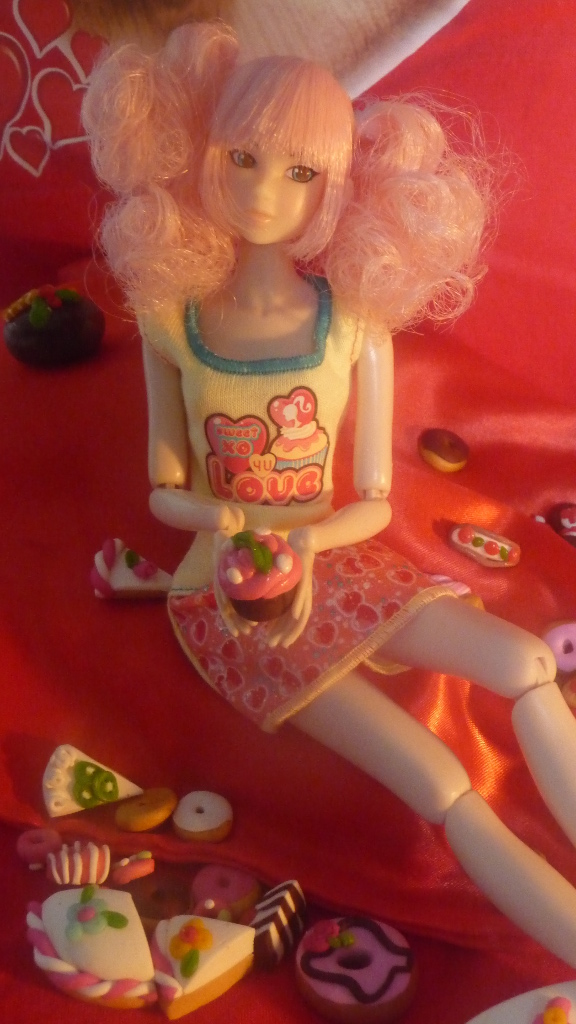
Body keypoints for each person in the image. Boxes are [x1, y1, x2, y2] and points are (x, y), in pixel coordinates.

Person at [83, 21, 576, 965]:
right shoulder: (172, 323)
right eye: (243, 158)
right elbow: (165, 487)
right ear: (200, 153)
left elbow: (376, 498)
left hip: (340, 558)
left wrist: (309, 541)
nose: (266, 191)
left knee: (523, 664)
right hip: (228, 599)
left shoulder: (351, 323)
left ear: (340, 188)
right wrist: (224, 519)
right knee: (440, 783)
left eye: (301, 172)